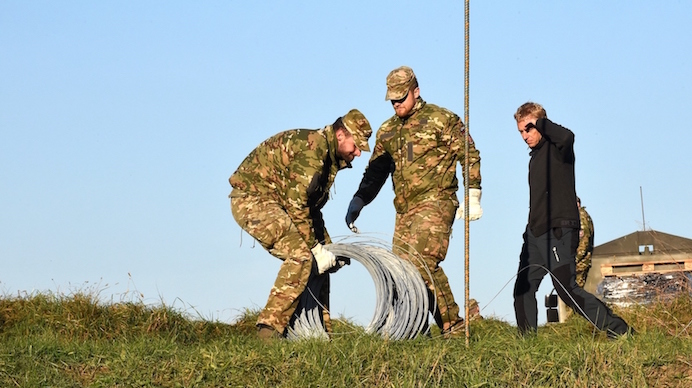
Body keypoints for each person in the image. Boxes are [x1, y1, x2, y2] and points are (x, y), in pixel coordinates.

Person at [345, 66, 483, 337]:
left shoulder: (442, 119)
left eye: (402, 97)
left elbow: (468, 153)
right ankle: (417, 328)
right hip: (405, 210)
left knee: (421, 262)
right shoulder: (387, 131)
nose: (397, 104)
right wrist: (360, 198)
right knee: (402, 271)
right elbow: (376, 171)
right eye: (393, 99)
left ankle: (452, 324)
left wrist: (473, 192)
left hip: (437, 200)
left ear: (416, 92)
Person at [229, 109, 372, 341]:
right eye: (356, 146)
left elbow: (309, 208)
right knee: (303, 254)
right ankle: (269, 332)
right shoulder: (314, 151)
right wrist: (315, 248)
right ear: (340, 136)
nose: (357, 153)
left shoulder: (326, 155)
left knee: (321, 261)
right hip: (253, 200)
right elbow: (296, 204)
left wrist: (327, 247)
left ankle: (320, 333)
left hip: (278, 203)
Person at [512, 102, 633, 338]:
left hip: (559, 231)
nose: (525, 136)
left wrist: (540, 123)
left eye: (529, 129)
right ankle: (526, 344)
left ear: (542, 124)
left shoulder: (559, 149)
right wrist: (529, 233)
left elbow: (568, 136)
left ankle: (619, 330)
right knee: (522, 289)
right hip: (536, 234)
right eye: (521, 132)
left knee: (566, 289)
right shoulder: (534, 157)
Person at [575, 196, 594, 288]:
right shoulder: (581, 216)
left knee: (575, 294)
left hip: (580, 264)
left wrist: (574, 259)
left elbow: (584, 242)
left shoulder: (581, 217)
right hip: (579, 263)